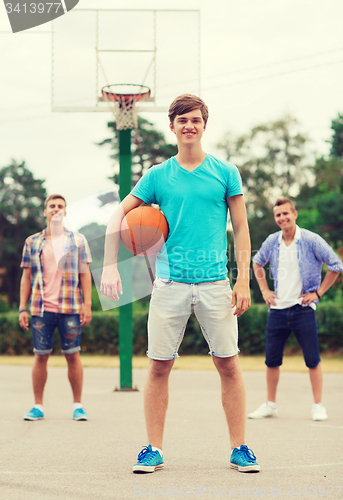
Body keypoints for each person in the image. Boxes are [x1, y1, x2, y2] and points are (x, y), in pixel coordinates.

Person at [101, 94, 260, 473]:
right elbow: (115, 217)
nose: (189, 125)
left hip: (215, 284)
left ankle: (240, 448)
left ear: (204, 125)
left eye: (196, 120)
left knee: (228, 364)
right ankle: (152, 448)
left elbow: (241, 228)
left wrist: (242, 281)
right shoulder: (157, 175)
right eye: (182, 120)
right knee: (159, 367)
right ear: (171, 126)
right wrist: (110, 266)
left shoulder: (225, 172)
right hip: (169, 284)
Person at [249, 197, 343, 421]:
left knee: (312, 359)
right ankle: (270, 404)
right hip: (278, 310)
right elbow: (256, 262)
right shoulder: (273, 241)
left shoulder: (310, 239)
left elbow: (336, 265)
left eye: (285, 214)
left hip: (303, 309)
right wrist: (264, 291)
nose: (282, 218)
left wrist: (318, 293)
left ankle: (318, 405)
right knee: (271, 360)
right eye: (278, 215)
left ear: (295, 214)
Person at [19, 194, 92, 421]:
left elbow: (85, 274)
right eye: (52, 206)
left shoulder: (78, 240)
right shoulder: (32, 242)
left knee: (73, 355)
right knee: (41, 355)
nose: (56, 209)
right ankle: (38, 406)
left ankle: (78, 406)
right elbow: (26, 277)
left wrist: (87, 304)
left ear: (65, 212)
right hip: (41, 309)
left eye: (60, 206)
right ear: (45, 211)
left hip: (70, 307)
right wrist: (22, 307)